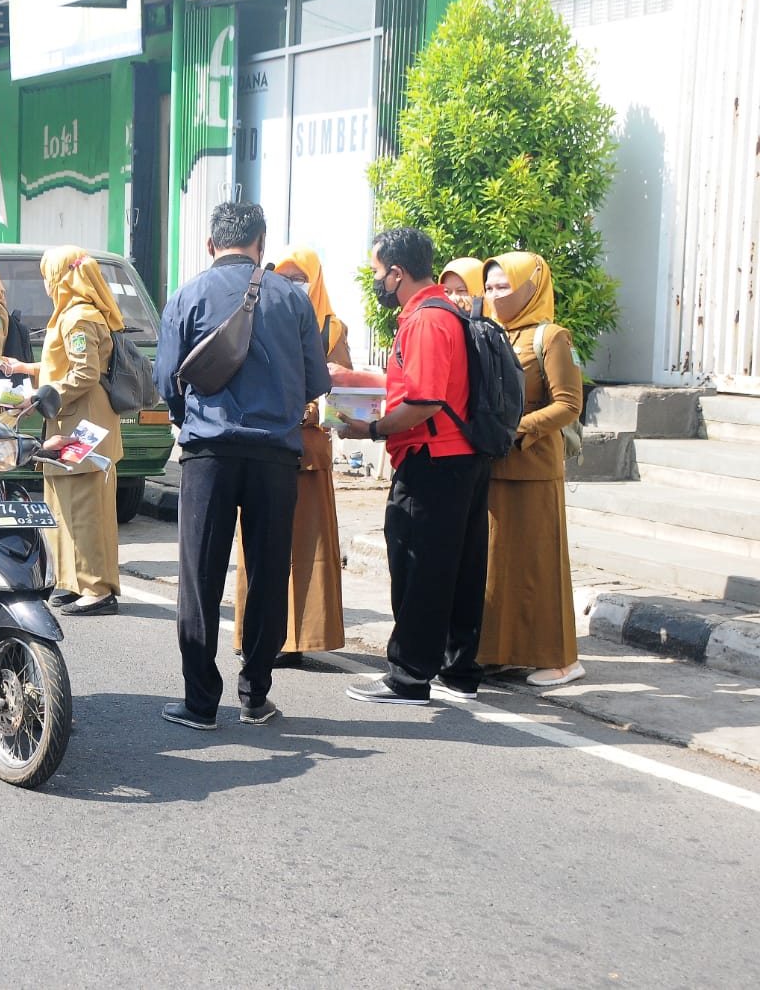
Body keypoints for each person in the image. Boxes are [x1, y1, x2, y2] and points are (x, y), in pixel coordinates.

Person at [152, 203, 331, 729]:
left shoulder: (186, 296)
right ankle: (255, 695)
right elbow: (315, 383)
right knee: (270, 572)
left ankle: (200, 702)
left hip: (210, 452)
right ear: (262, 242)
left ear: (212, 245)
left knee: (200, 577)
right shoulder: (294, 299)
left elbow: (168, 382)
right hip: (277, 455)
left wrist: (193, 422)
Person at [338, 226, 492, 704]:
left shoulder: (425, 319)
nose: (378, 281)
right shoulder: (447, 311)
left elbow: (423, 401)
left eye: (379, 272)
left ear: (398, 272)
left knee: (417, 566)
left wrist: (371, 430)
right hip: (461, 456)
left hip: (431, 458)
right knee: (458, 568)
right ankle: (457, 670)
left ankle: (408, 676)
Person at [233, 246, 348, 667]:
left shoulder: (333, 330)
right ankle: (260, 635)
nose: (295, 284)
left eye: (303, 278)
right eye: (287, 276)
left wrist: (312, 409)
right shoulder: (261, 316)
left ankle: (301, 638)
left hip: (309, 452)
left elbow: (344, 396)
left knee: (307, 547)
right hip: (265, 447)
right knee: (262, 547)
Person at [0, 247, 125, 616]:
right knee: (64, 508)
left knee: (85, 511)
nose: (46, 283)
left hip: (83, 425)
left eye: (47, 274)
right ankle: (73, 581)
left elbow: (84, 374)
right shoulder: (74, 315)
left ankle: (97, 589)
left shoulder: (78, 318)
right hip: (72, 420)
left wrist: (40, 398)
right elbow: (65, 364)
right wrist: (29, 368)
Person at [480, 251, 586, 686]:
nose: (494, 295)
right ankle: (502, 653)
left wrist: (518, 428)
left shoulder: (551, 336)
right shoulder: (488, 333)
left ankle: (561, 659)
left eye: (504, 286)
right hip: (492, 464)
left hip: (534, 465)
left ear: (530, 287)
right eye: (488, 287)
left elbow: (569, 404)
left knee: (541, 566)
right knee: (499, 565)